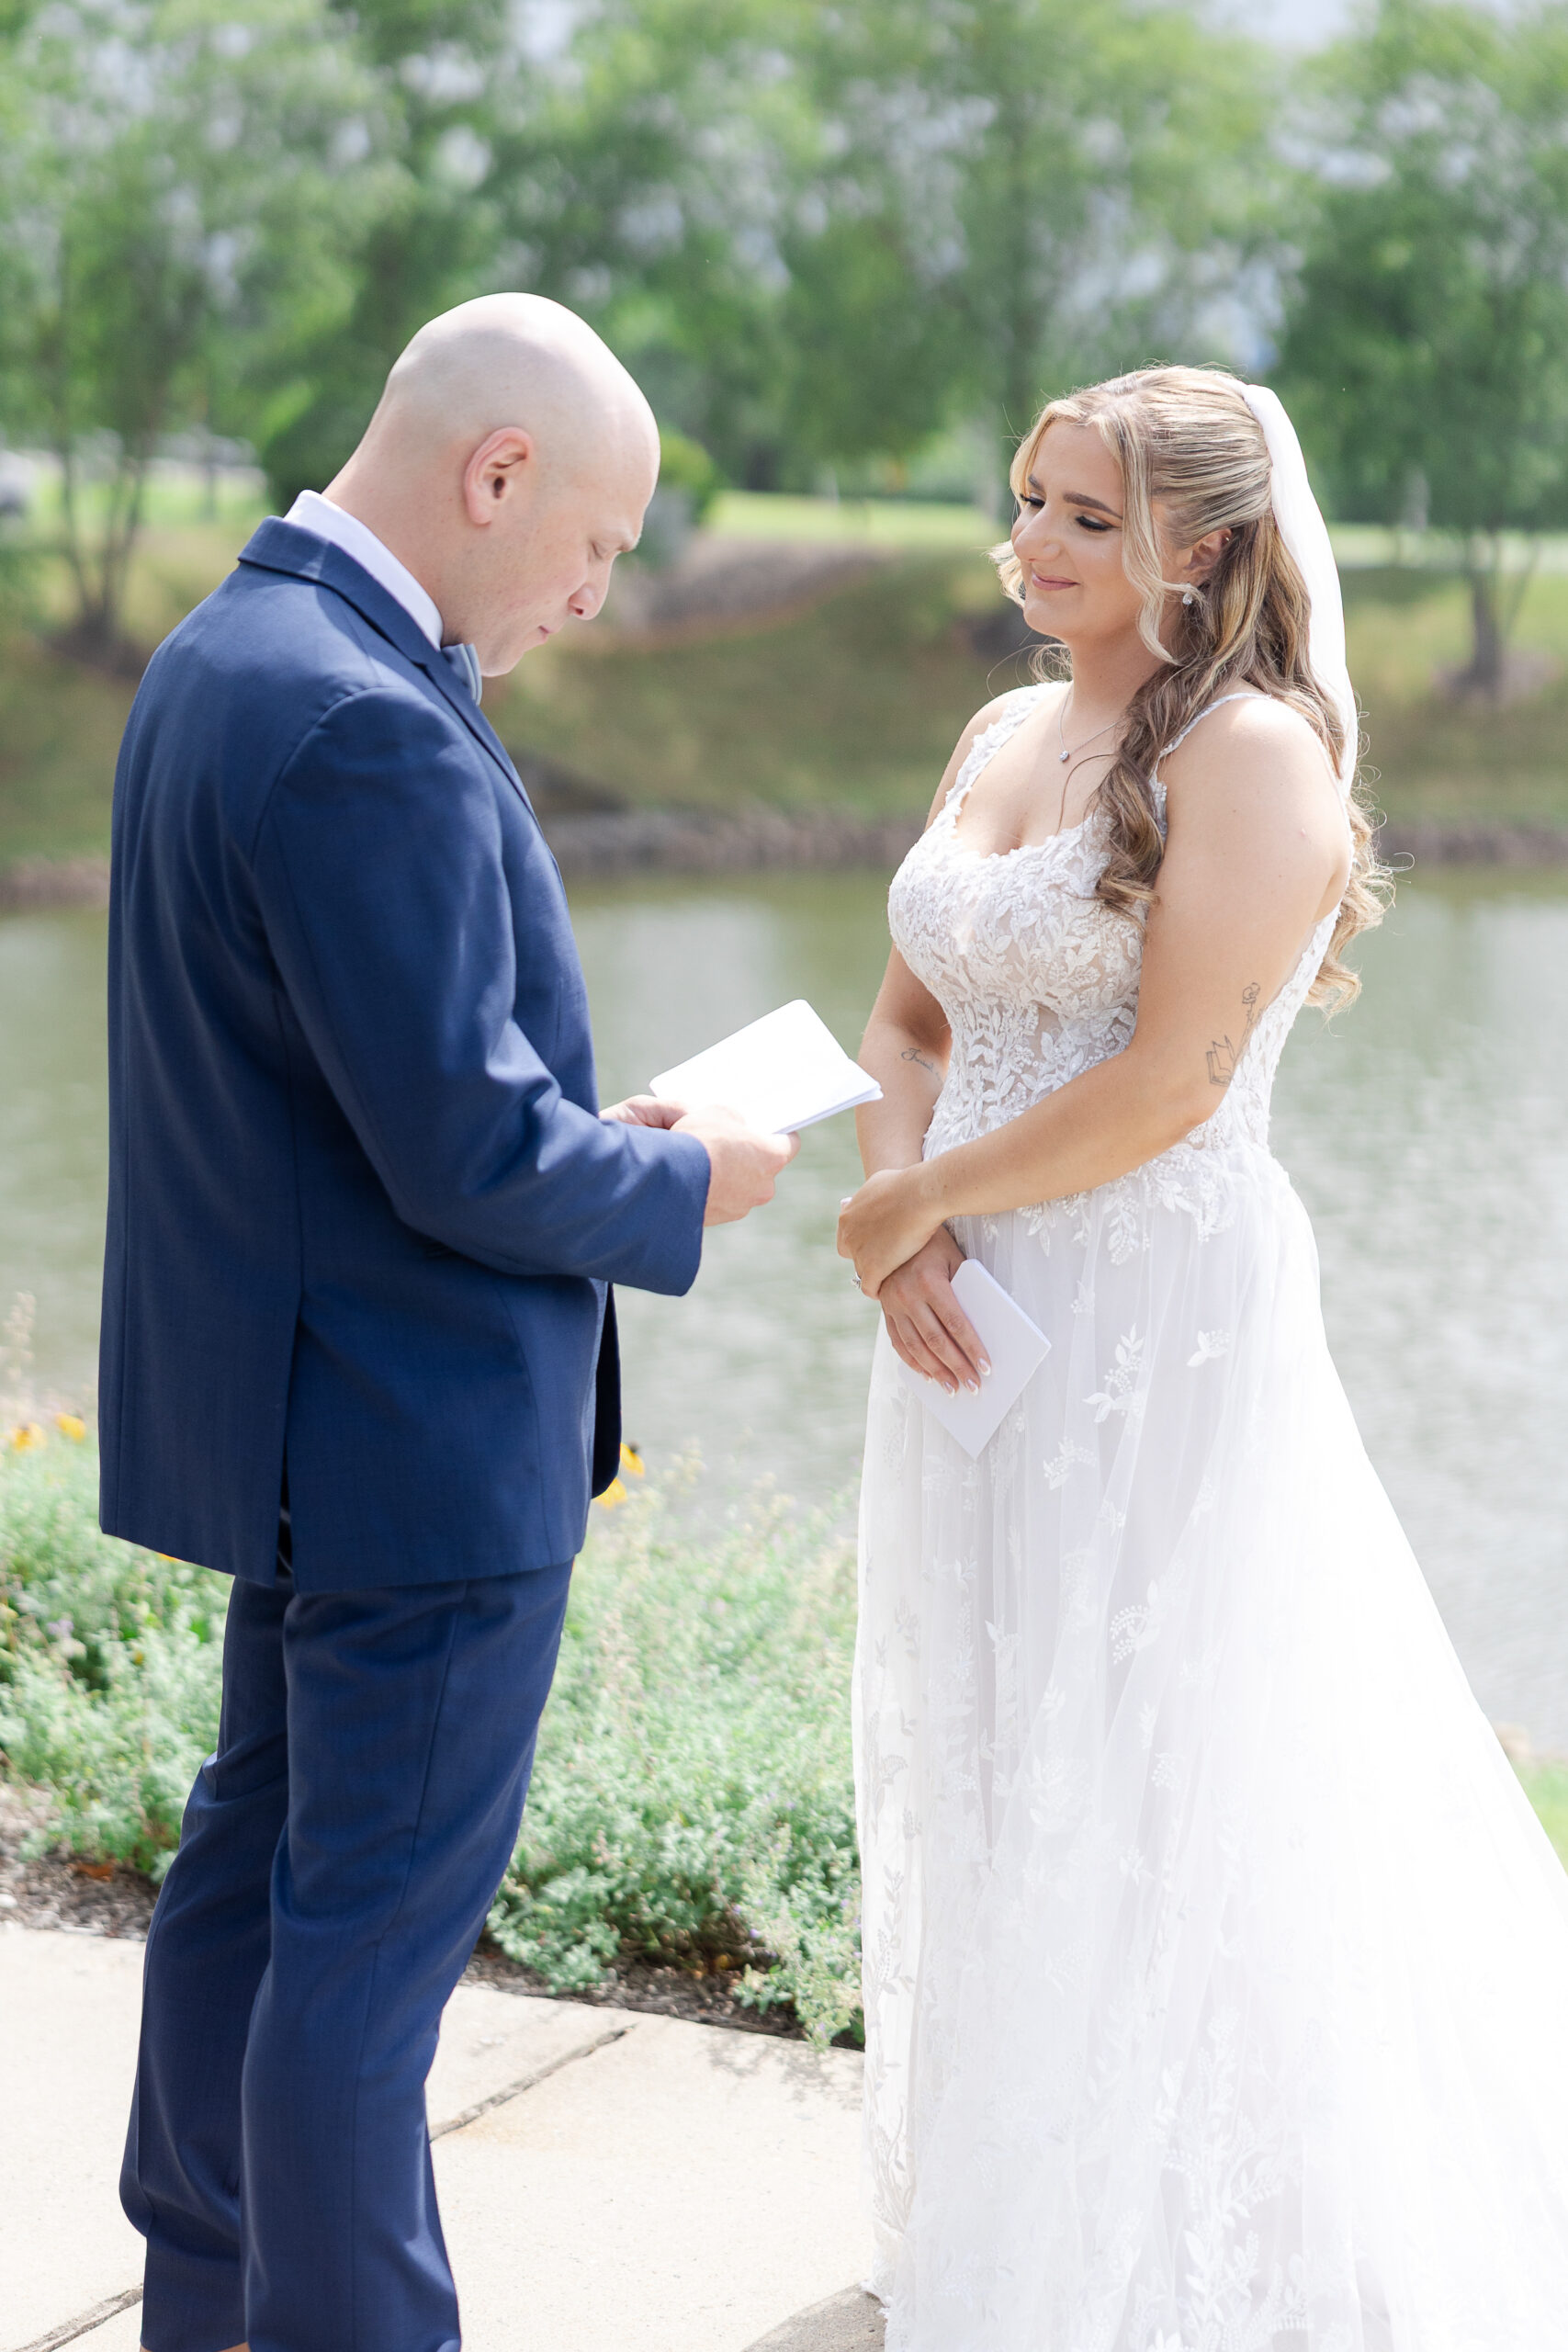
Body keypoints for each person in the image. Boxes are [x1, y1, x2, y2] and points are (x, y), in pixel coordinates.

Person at [839, 366, 1568, 2348]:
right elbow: (905, 1016)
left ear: (1208, 543)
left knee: (1158, 1756)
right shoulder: (1000, 727)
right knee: (992, 1738)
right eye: (1027, 498)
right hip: (964, 1314)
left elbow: (1166, 1083)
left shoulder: (1250, 759)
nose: (1035, 542)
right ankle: (1017, 2187)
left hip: (1145, 1324)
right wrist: (897, 1194)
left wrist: (926, 1205)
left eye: (1084, 512)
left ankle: (1193, 2243)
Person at [101, 292, 795, 2352]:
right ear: (496, 476)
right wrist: (684, 1176)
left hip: (298, 1433)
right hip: (414, 1451)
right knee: (361, 1969)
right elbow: (463, 1156)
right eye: (593, 545)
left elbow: (371, 1090)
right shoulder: (371, 717)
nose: (591, 594)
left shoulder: (225, 652)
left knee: (247, 1896)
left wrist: (584, 1127)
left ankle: (211, 2308)